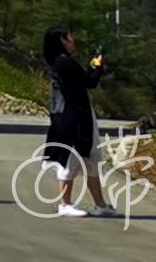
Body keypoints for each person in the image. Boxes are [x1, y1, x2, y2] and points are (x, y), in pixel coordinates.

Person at [39, 27, 112, 218]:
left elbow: (83, 79)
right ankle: (65, 203)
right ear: (63, 41)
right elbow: (90, 82)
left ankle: (100, 204)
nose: (73, 40)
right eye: (70, 37)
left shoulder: (63, 63)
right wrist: (97, 67)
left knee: (91, 159)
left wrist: (94, 67)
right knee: (71, 160)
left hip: (80, 117)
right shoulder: (64, 63)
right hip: (73, 119)